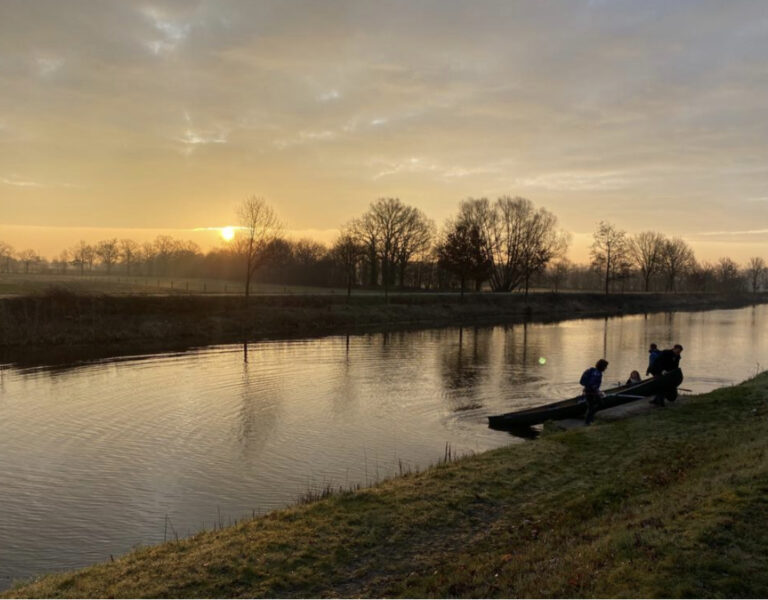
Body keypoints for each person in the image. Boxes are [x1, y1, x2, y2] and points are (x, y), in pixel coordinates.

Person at [580, 359, 609, 425]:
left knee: (592, 406)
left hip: (588, 391)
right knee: (598, 404)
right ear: (602, 366)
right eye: (605, 366)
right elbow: (592, 384)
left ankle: (590, 418)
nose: (606, 368)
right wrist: (597, 391)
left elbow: (589, 382)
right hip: (591, 393)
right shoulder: (597, 374)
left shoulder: (593, 370)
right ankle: (587, 422)